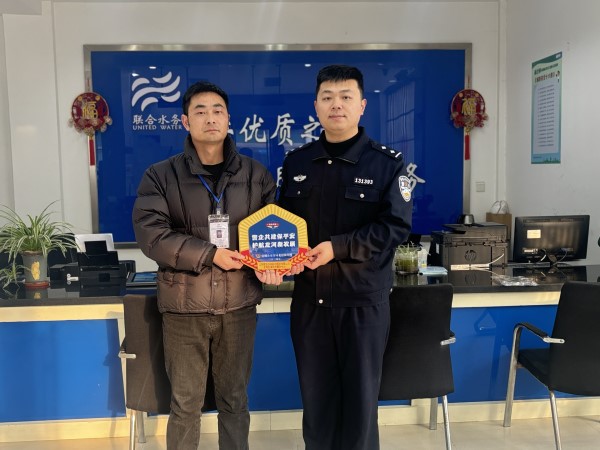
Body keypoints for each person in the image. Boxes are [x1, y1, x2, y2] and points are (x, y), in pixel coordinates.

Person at [132, 81, 281, 450]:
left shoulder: (257, 175)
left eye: (218, 110)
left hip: (238, 307)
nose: (210, 118)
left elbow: (272, 231)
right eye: (200, 111)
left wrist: (273, 264)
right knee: (185, 405)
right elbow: (152, 235)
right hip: (184, 310)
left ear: (229, 119)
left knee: (235, 401)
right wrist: (210, 254)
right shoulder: (160, 175)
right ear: (186, 121)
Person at [278, 65, 413, 450]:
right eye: (327, 97)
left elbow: (395, 228)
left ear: (362, 105)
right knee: (317, 406)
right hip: (310, 305)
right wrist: (276, 260)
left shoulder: (387, 164)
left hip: (363, 305)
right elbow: (282, 225)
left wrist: (337, 248)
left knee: (360, 408)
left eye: (346, 97)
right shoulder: (297, 163)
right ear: (316, 106)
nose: (336, 105)